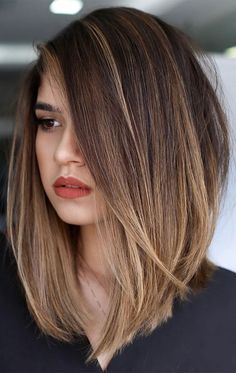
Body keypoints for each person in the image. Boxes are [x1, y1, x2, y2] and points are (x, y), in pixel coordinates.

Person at [1, 6, 236, 373]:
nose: (64, 152)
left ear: (162, 138)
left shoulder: (228, 314)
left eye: (95, 124)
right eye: (49, 122)